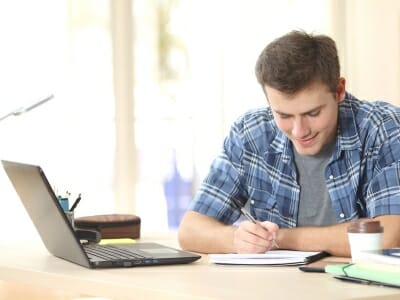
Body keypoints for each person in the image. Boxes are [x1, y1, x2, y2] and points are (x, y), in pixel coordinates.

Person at [178, 30, 400, 257]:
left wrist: (279, 238)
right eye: (284, 115)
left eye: (313, 113)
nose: (299, 131)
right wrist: (239, 240)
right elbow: (190, 230)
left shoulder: (383, 129)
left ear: (339, 91)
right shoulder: (251, 135)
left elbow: (389, 236)